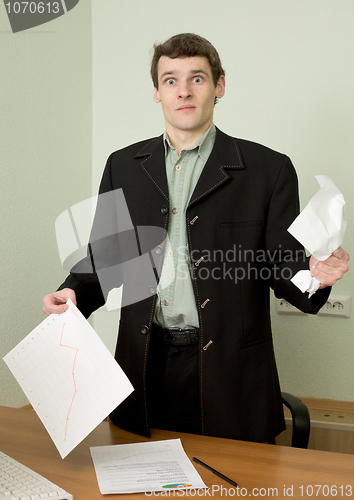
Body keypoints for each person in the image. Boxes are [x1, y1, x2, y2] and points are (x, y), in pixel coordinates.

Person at [43, 33, 349, 443]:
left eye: (197, 78)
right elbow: (106, 260)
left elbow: (284, 269)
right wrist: (72, 293)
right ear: (157, 92)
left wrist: (317, 276)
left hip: (230, 378)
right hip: (143, 369)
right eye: (170, 80)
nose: (183, 91)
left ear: (219, 85)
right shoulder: (123, 167)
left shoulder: (269, 170)